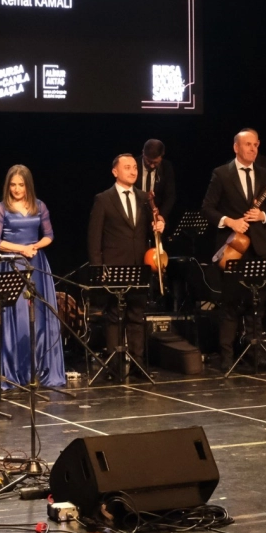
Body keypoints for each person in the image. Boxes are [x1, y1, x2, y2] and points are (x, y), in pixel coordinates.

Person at [200, 130, 266, 371]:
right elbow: (207, 208)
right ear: (236, 147)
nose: (253, 148)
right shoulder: (221, 173)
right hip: (233, 247)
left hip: (259, 247)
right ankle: (227, 357)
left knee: (257, 304)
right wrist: (230, 221)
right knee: (230, 305)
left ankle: (255, 354)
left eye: (256, 144)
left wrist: (263, 215)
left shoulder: (265, 174)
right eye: (248, 144)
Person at [0, 164, 66, 387]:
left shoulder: (39, 206)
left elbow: (49, 235)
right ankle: (15, 370)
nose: (16, 189)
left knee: (39, 316)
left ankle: (38, 370)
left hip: (36, 263)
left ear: (27, 186)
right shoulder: (1, 208)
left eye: (21, 185)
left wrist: (34, 246)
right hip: (12, 265)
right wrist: (21, 249)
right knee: (17, 317)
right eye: (13, 185)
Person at [86, 153, 161, 370]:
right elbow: (94, 237)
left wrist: (159, 225)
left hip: (139, 266)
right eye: (127, 167)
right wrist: (98, 268)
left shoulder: (144, 198)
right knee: (114, 315)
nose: (133, 171)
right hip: (114, 266)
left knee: (137, 314)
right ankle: (114, 365)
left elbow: (150, 228)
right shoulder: (104, 199)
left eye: (135, 167)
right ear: (115, 171)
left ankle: (138, 364)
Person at [141, 138, 177, 217]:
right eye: (149, 161)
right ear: (143, 153)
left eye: (155, 162)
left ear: (161, 156)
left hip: (157, 215)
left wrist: (161, 216)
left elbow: (170, 196)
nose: (152, 166)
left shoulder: (167, 167)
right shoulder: (133, 165)